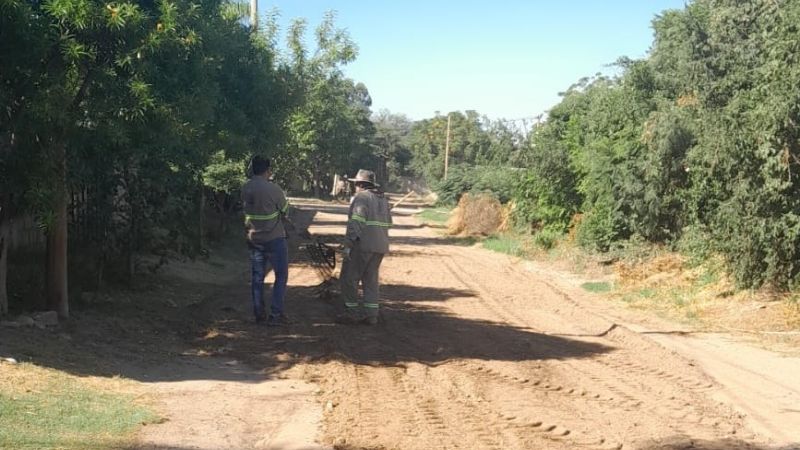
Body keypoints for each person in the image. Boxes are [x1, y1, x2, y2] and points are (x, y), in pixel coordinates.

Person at [241, 156, 294, 326]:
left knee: (257, 277)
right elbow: (285, 211)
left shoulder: (245, 188)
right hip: (274, 238)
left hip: (254, 238)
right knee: (281, 275)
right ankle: (276, 314)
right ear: (267, 170)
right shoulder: (274, 189)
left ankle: (259, 313)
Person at [337, 169, 392, 325]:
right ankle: (371, 315)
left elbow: (356, 223)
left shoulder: (361, 198)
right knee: (371, 280)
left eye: (355, 184)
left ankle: (351, 313)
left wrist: (348, 245)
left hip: (363, 246)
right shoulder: (383, 200)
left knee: (349, 278)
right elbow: (389, 223)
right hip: (380, 247)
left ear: (360, 184)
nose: (355, 187)